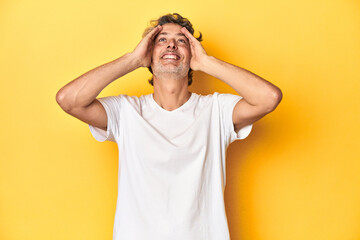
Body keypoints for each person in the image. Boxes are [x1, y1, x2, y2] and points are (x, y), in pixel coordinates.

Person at [56, 13, 282, 240]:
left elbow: (269, 98)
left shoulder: (216, 111)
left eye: (181, 40)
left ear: (192, 54)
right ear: (148, 55)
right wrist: (132, 59)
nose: (171, 44)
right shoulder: (126, 112)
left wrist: (207, 62)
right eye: (161, 39)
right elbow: (68, 100)